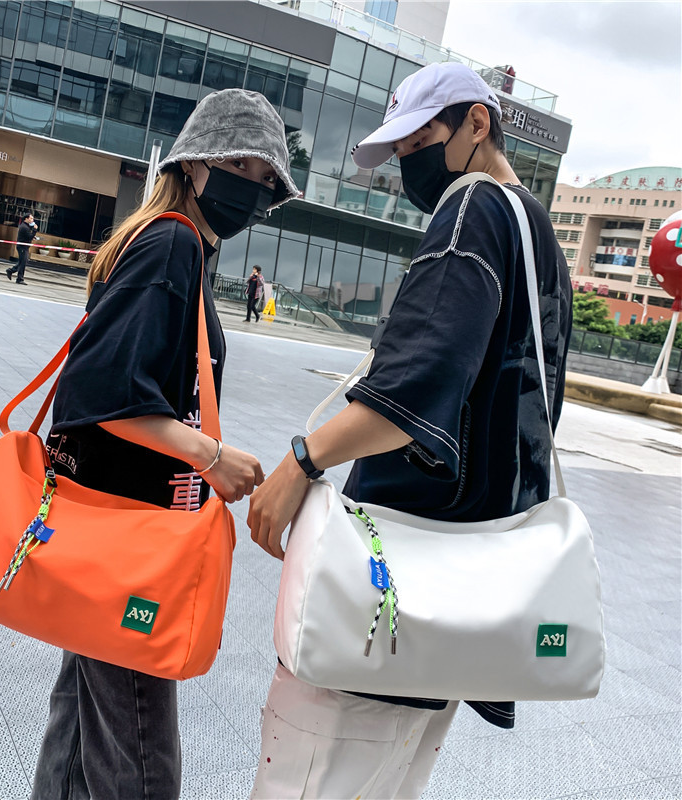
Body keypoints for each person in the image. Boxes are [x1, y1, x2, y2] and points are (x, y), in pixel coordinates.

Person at [248, 62, 573, 799]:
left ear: (477, 123)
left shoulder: (472, 208)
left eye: (417, 142)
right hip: (464, 591)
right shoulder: (538, 236)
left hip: (392, 583)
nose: (405, 164)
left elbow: (415, 389)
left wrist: (302, 461)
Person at [29, 88, 298, 800]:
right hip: (130, 549)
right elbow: (103, 394)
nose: (252, 186)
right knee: (143, 764)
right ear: (196, 162)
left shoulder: (165, 242)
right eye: (240, 165)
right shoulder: (173, 243)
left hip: (107, 533)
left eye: (265, 177)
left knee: (78, 735)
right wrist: (210, 456)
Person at [6, 213, 38, 284]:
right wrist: (34, 230)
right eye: (31, 218)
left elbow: (28, 236)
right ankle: (19, 279)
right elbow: (29, 236)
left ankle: (11, 270)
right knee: (23, 263)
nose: (32, 220)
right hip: (22, 247)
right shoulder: (24, 227)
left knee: (22, 261)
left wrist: (32, 235)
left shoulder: (26, 226)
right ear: (26, 219)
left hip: (24, 247)